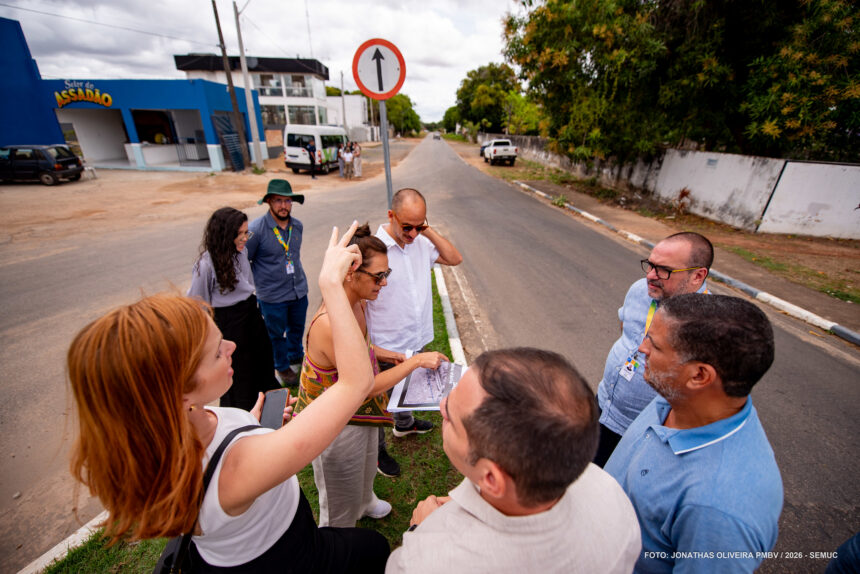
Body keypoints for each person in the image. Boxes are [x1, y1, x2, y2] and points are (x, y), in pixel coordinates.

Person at [68, 223, 390, 572]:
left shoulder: (175, 430)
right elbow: (356, 383)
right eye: (216, 352)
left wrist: (249, 424)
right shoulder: (237, 473)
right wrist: (331, 285)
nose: (232, 346)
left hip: (234, 551)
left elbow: (218, 443)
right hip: (286, 555)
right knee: (375, 548)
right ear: (179, 394)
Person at [385, 348, 641, 573]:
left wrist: (420, 532)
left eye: (450, 414)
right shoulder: (612, 496)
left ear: (492, 479)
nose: (441, 405)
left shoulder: (427, 561)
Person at [605, 294, 783, 573]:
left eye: (654, 344)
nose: (641, 348)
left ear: (699, 376)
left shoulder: (719, 509)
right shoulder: (676, 395)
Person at [296, 224, 448, 527]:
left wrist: (385, 354)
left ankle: (365, 501)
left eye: (386, 274)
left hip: (361, 413)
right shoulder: (329, 323)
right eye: (378, 276)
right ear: (350, 273)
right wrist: (415, 361)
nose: (384, 283)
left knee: (365, 464)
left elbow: (360, 349)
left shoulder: (357, 302)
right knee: (339, 499)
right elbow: (362, 386)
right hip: (335, 423)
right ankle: (339, 537)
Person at [366, 188, 463, 478]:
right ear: (390, 216)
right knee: (379, 402)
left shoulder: (421, 240)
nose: (411, 233)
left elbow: (454, 258)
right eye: (406, 225)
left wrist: (427, 231)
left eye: (418, 225)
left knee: (408, 389)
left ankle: (405, 424)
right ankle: (378, 451)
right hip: (385, 341)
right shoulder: (374, 248)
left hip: (415, 335)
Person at [594, 231, 713, 467]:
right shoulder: (640, 290)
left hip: (643, 435)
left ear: (697, 276)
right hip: (603, 408)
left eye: (663, 270)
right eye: (650, 265)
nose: (651, 276)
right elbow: (625, 326)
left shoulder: (708, 325)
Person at [187, 207, 278, 410]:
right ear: (225, 235)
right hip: (229, 322)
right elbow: (197, 303)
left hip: (250, 314)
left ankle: (271, 408)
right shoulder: (205, 264)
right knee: (240, 374)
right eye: (240, 234)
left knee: (263, 361)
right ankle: (243, 415)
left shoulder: (242, 252)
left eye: (247, 232)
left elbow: (248, 284)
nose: (246, 238)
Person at [246, 179, 309, 387]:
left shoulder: (297, 226)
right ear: (269, 202)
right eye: (278, 201)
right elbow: (246, 260)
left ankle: (295, 357)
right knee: (275, 334)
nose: (284, 206)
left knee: (296, 329)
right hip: (272, 296)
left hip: (298, 291)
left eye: (287, 201)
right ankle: (282, 366)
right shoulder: (256, 229)